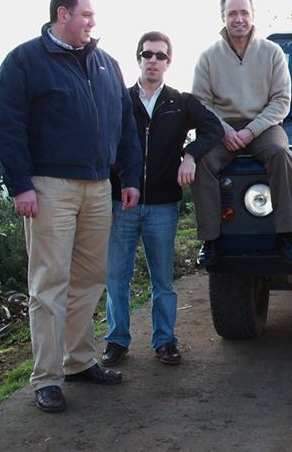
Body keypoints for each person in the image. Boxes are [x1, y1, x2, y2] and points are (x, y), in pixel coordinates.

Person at [0, 0, 142, 413]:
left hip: (99, 186)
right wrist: (20, 184)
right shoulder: (25, 61)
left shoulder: (107, 64)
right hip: (49, 186)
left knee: (90, 279)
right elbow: (6, 125)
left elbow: (125, 127)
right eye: (86, 14)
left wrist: (130, 176)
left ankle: (78, 361)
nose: (93, 21)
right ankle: (47, 377)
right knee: (49, 284)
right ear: (62, 14)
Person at [102, 32, 223, 368]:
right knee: (117, 278)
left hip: (163, 205)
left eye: (160, 55)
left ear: (169, 62)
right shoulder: (121, 100)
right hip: (122, 203)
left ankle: (165, 341)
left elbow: (213, 129)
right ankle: (116, 341)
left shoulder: (180, 102)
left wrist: (190, 154)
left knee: (162, 281)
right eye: (147, 54)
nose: (153, 61)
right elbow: (104, 140)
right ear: (138, 58)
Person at [191, 0, 292, 265]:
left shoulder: (272, 53)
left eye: (244, 12)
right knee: (201, 162)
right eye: (232, 13)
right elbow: (200, 103)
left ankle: (285, 234)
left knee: (282, 156)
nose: (238, 19)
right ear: (223, 17)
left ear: (253, 16)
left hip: (263, 126)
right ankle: (211, 239)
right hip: (222, 128)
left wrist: (251, 130)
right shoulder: (208, 57)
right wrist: (225, 131)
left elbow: (281, 101)